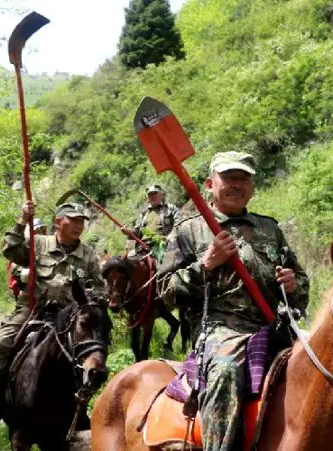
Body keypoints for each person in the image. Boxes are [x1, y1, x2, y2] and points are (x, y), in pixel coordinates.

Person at [158, 151, 310, 450]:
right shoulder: (189, 230)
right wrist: (206, 265)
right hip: (221, 329)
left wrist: (293, 285)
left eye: (244, 179)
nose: (237, 185)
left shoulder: (269, 229)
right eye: (229, 178)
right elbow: (166, 292)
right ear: (209, 184)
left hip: (276, 325)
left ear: (252, 186)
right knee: (225, 371)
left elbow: (302, 283)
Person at [0, 201, 105, 425]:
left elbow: (100, 289)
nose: (78, 225)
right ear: (58, 222)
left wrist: (90, 297)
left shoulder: (89, 255)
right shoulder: (38, 243)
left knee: (91, 351)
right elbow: (10, 249)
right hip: (34, 309)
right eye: (73, 220)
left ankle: (81, 406)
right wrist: (23, 219)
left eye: (81, 221)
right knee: (3, 341)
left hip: (69, 316)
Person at [123, 183, 179, 258]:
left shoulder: (170, 209)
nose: (152, 196)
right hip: (143, 247)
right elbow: (137, 233)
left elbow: (179, 223)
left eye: (155, 193)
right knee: (125, 262)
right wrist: (128, 232)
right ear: (147, 199)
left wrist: (171, 236)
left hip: (163, 245)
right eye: (150, 194)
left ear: (162, 195)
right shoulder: (143, 214)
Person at [7, 218, 47, 298]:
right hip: (27, 287)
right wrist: (27, 271)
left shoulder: (48, 245)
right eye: (37, 230)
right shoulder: (24, 248)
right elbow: (14, 268)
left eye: (42, 229)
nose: (40, 232)